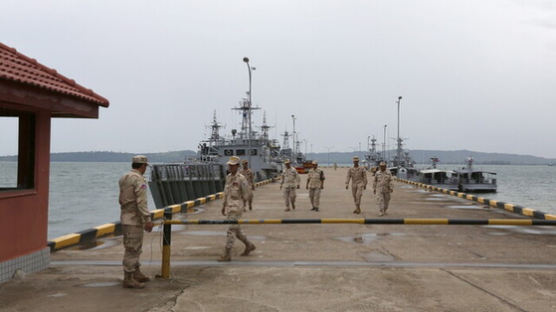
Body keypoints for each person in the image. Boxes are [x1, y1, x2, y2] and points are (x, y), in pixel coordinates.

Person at [118, 155, 154, 289]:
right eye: (145, 166)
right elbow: (141, 201)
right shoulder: (139, 179)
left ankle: (136, 272)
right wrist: (147, 219)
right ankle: (128, 278)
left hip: (125, 215)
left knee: (135, 247)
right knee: (132, 249)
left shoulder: (124, 177)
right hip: (134, 218)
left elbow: (121, 198)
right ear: (143, 166)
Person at [219, 156, 256, 261]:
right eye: (229, 165)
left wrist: (243, 205)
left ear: (237, 166)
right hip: (229, 206)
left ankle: (227, 254)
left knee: (231, 230)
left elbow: (247, 193)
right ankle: (249, 245)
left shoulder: (241, 178)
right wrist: (223, 206)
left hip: (236, 207)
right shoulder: (228, 177)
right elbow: (226, 193)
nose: (230, 167)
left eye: (232, 165)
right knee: (236, 230)